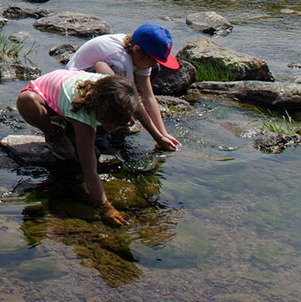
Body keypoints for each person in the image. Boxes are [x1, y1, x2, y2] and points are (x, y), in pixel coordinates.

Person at [16, 70, 139, 226]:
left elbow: (141, 111)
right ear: (102, 116)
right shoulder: (83, 115)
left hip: (71, 96)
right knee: (26, 100)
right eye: (118, 123)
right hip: (43, 97)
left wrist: (159, 136)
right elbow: (89, 171)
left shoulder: (118, 92)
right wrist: (106, 207)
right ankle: (53, 132)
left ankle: (65, 123)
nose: (124, 125)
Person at [65, 23, 181, 151]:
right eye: (152, 60)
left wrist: (163, 133)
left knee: (153, 70)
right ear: (137, 50)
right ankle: (98, 127)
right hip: (75, 90)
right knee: (118, 72)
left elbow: (148, 95)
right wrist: (157, 138)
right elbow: (135, 101)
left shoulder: (137, 51)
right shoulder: (120, 59)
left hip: (101, 79)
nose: (153, 65)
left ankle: (114, 115)